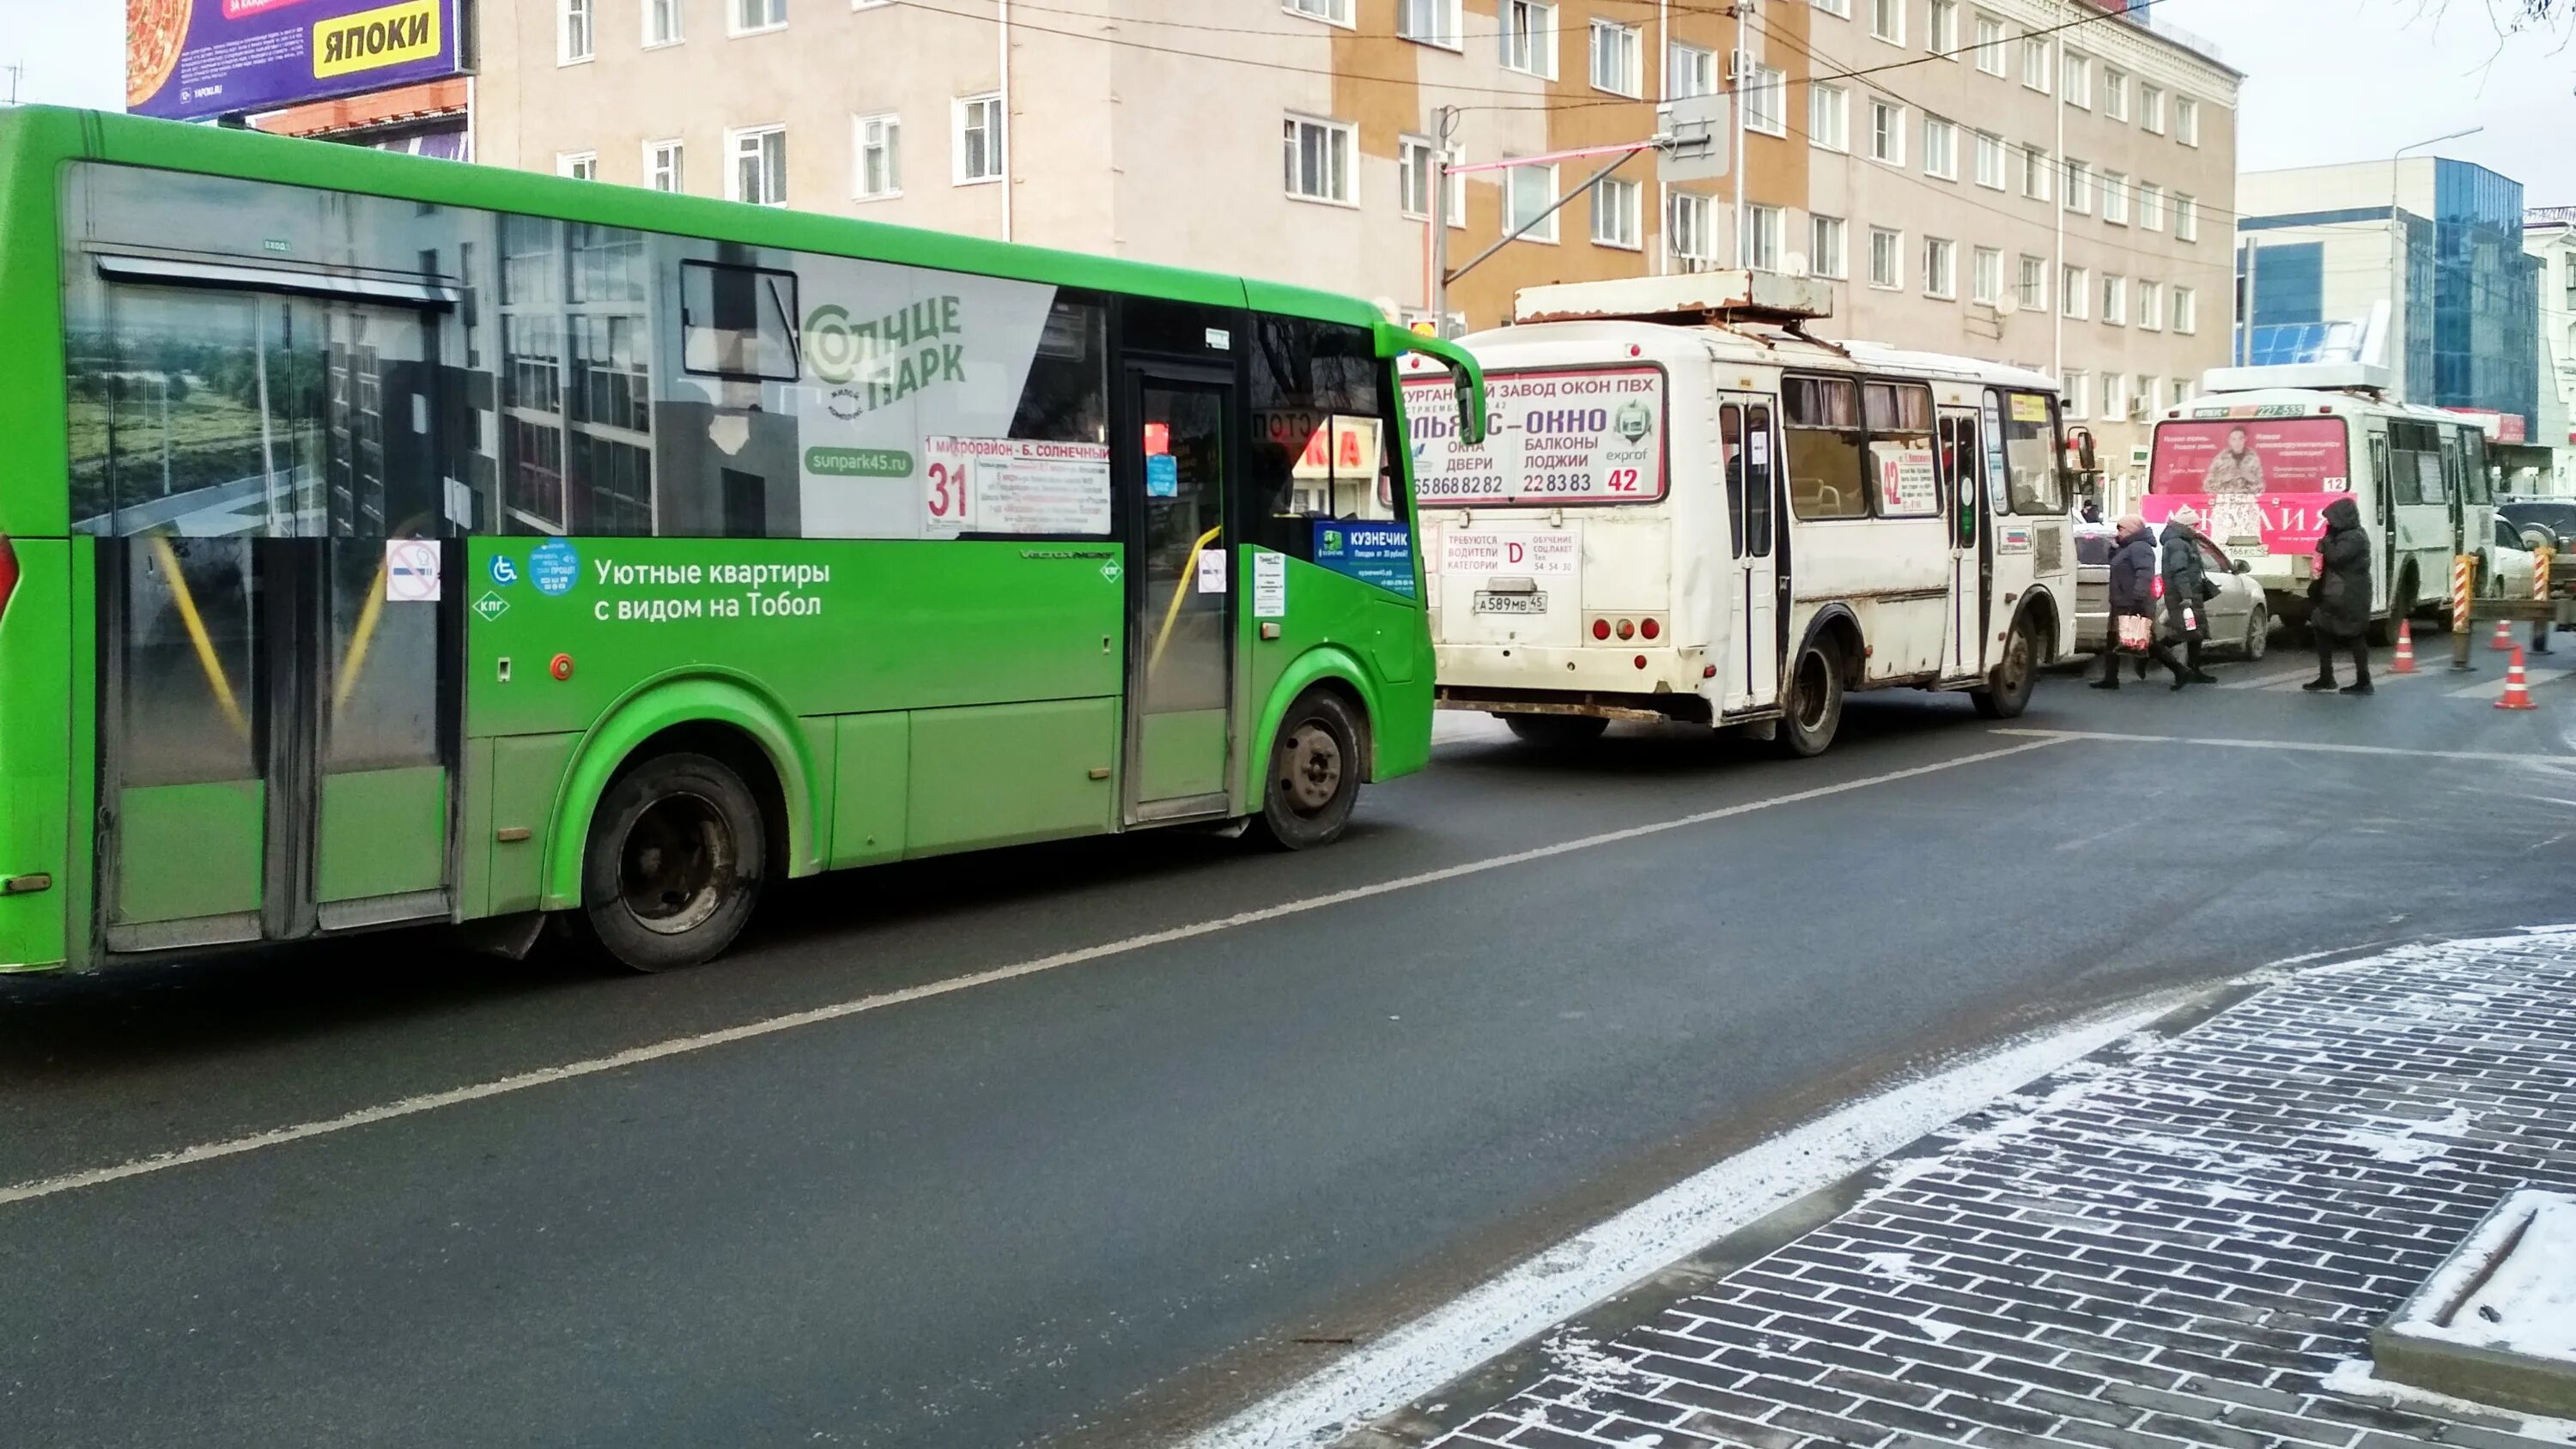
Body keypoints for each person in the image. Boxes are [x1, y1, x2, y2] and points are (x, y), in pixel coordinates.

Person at [2093, 516, 2191, 690]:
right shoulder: (2128, 547)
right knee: (2112, 639)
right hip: (2121, 601)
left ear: (2131, 529)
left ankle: (2180, 670)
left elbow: (2145, 573)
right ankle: (2110, 678)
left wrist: (2138, 599)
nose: (2118, 532)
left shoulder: (2140, 548)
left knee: (2146, 641)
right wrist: (2114, 548)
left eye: (2121, 529)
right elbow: (2118, 566)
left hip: (2134, 602)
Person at [2306, 495, 2374, 695]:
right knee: (2321, 627)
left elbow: (2337, 557)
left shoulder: (2354, 537)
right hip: (2336, 593)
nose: (2329, 523)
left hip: (2350, 595)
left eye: (2333, 519)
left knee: (2355, 635)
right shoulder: (2346, 535)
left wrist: (2325, 542)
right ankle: (2327, 676)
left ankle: (2364, 680)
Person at [2159, 506, 2222, 684]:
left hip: (2192, 595)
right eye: (2194, 525)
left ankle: (2194, 671)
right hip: (2183, 598)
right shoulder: (2177, 543)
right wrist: (2186, 596)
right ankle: (2153, 653)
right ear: (2185, 525)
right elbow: (2180, 572)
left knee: (2197, 634)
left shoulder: (2186, 541)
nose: (2196, 528)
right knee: (2183, 633)